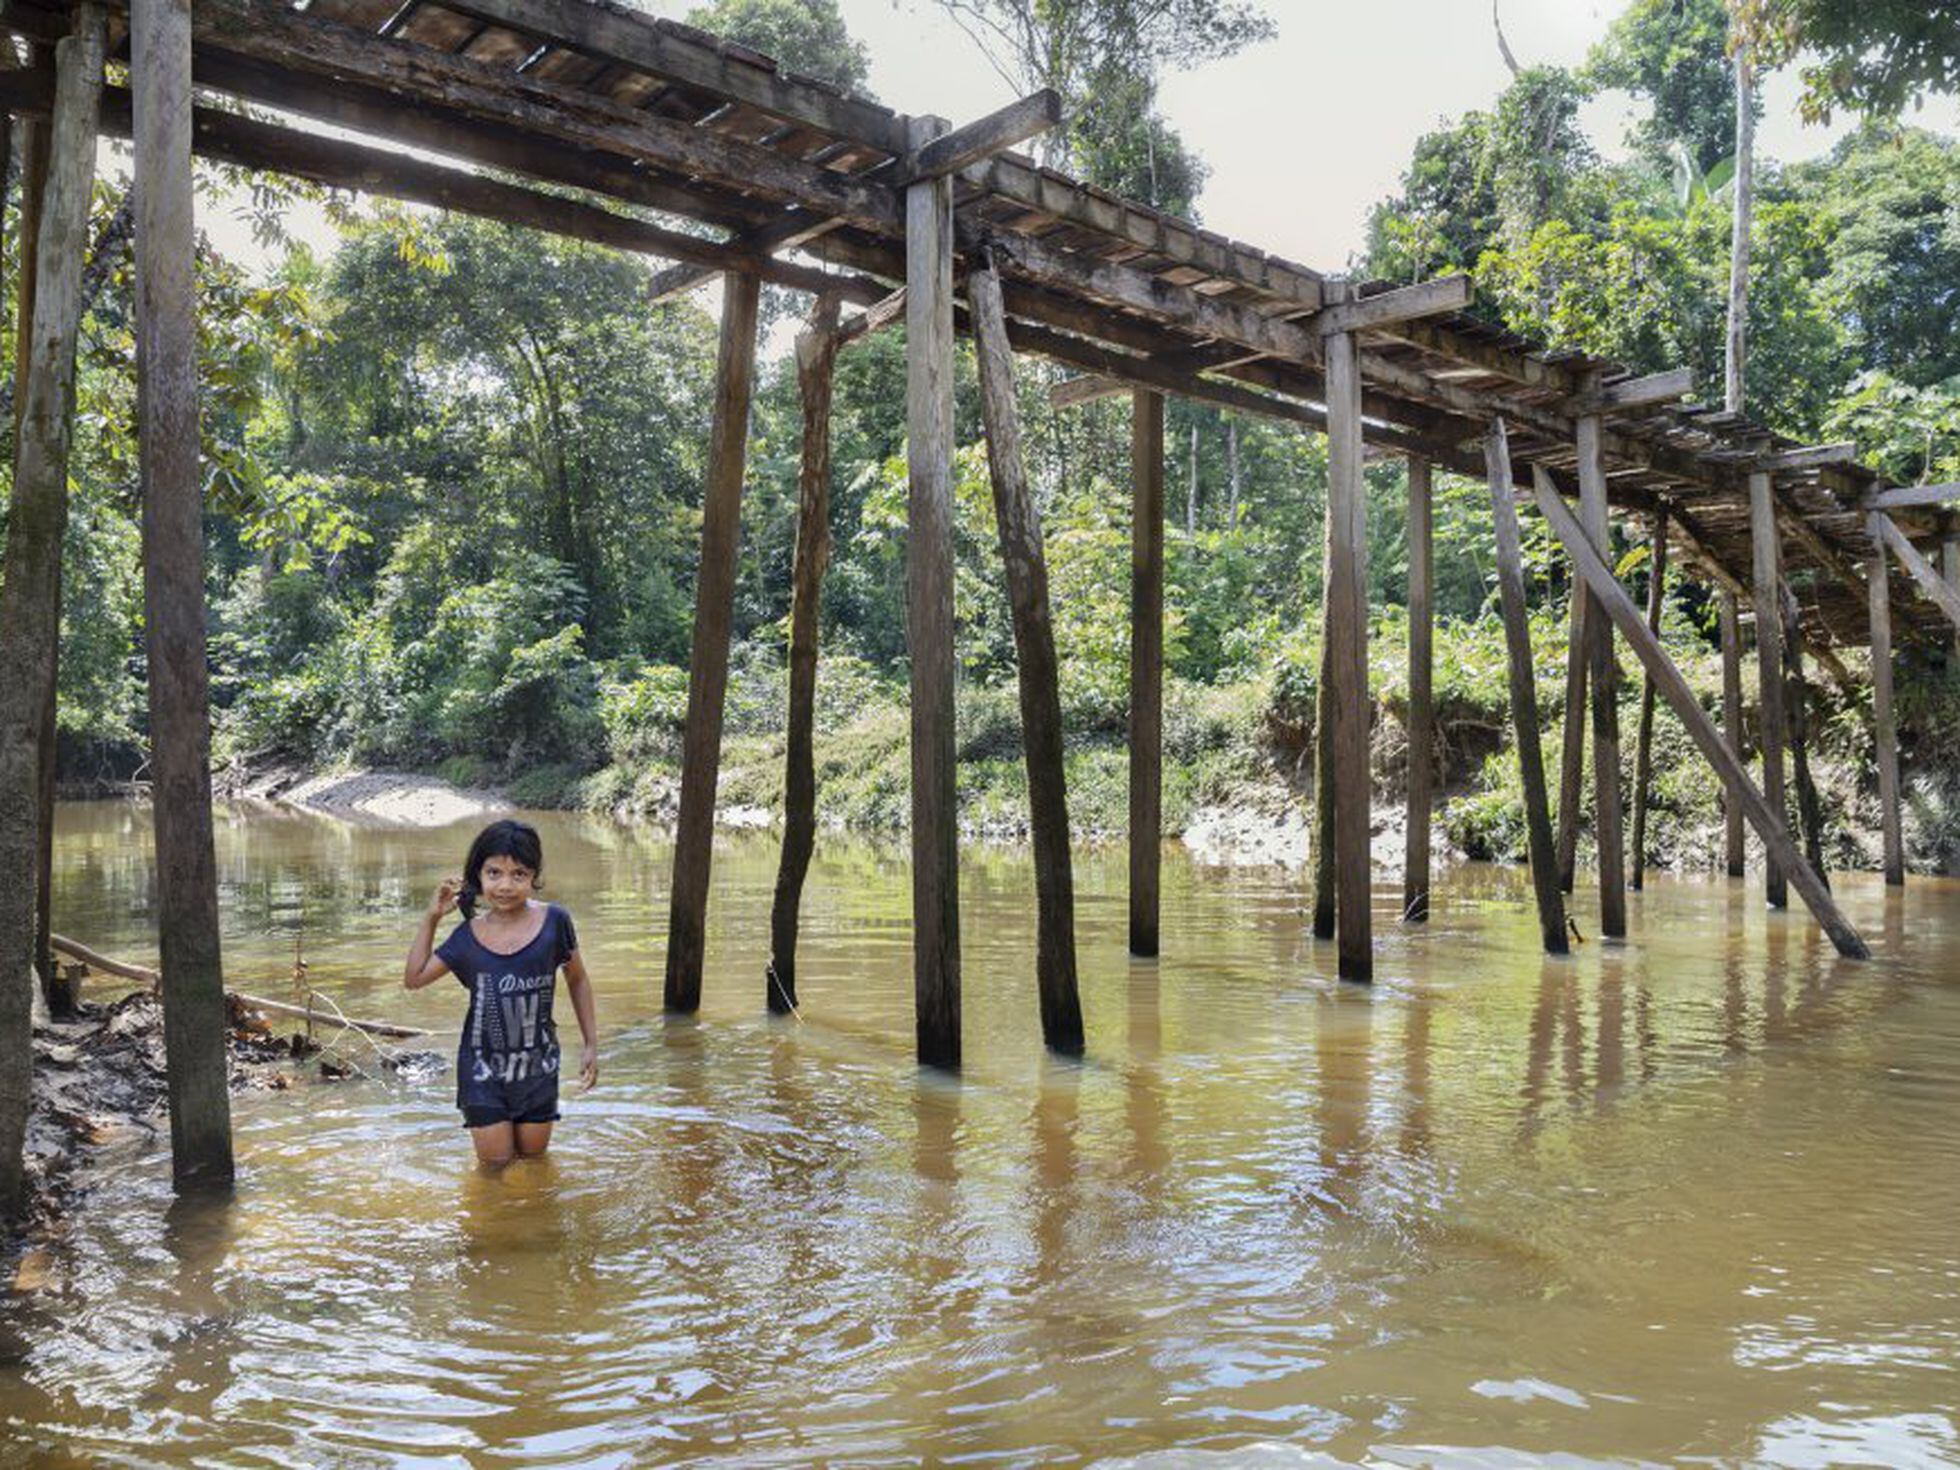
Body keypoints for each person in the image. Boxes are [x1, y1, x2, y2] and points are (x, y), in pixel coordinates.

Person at [403, 819, 600, 1169]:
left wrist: (590, 1044)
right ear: (477, 876)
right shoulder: (467, 937)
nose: (505, 885)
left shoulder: (556, 922)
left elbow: (578, 980)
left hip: (538, 1067)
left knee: (535, 1163)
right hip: (482, 1071)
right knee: (495, 1168)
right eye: (494, 873)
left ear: (533, 877)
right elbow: (415, 978)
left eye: (518, 874)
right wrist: (432, 917)